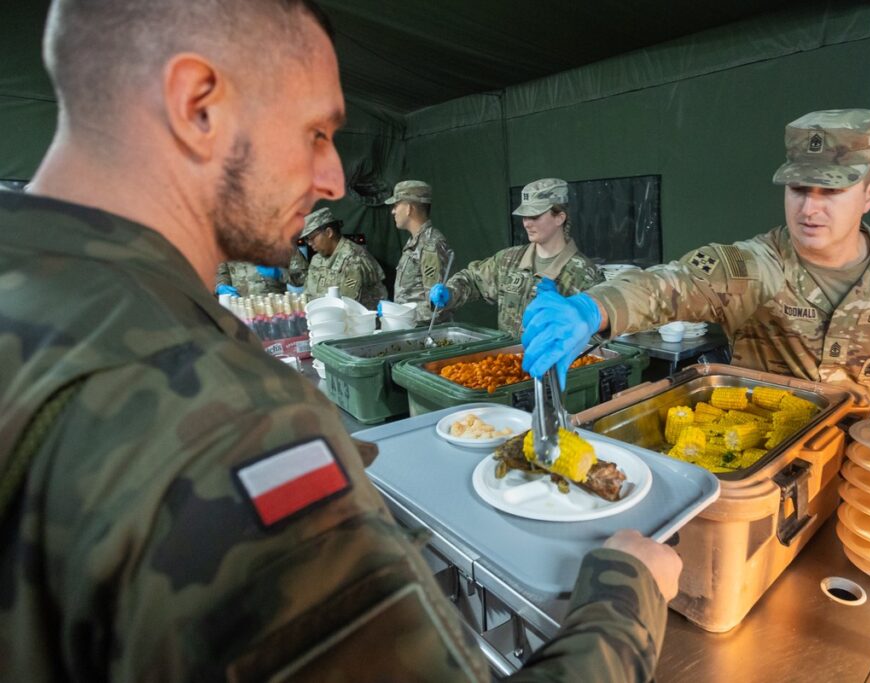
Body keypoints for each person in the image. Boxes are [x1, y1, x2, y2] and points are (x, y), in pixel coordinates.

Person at [0, 1, 681, 681]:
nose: (332, 179)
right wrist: (624, 598)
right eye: (316, 132)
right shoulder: (220, 410)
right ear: (197, 105)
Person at [522, 110, 870, 417]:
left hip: (867, 466)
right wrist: (593, 309)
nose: (809, 209)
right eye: (799, 189)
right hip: (768, 464)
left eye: (832, 192)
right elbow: (677, 283)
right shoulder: (756, 263)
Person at [429, 177, 605, 336]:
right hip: (507, 365)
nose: (527, 223)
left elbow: (599, 336)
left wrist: (566, 315)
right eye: (525, 216)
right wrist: (450, 293)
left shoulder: (584, 275)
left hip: (552, 367)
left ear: (559, 218)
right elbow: (473, 279)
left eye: (535, 216)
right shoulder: (509, 260)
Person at [388, 180, 453, 325]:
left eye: (396, 205)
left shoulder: (431, 245)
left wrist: (399, 316)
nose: (393, 211)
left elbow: (437, 306)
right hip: (413, 331)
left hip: (427, 335)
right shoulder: (416, 242)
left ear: (408, 208)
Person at [299, 206, 387, 307]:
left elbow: (347, 304)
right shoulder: (317, 259)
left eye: (311, 238)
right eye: (307, 239)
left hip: (356, 320)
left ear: (329, 233)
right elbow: (308, 295)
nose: (309, 243)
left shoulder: (354, 259)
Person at [215, 260, 287, 296]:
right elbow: (221, 271)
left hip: (273, 298)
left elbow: (295, 267)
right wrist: (221, 285)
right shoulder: (224, 244)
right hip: (241, 299)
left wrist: (280, 271)